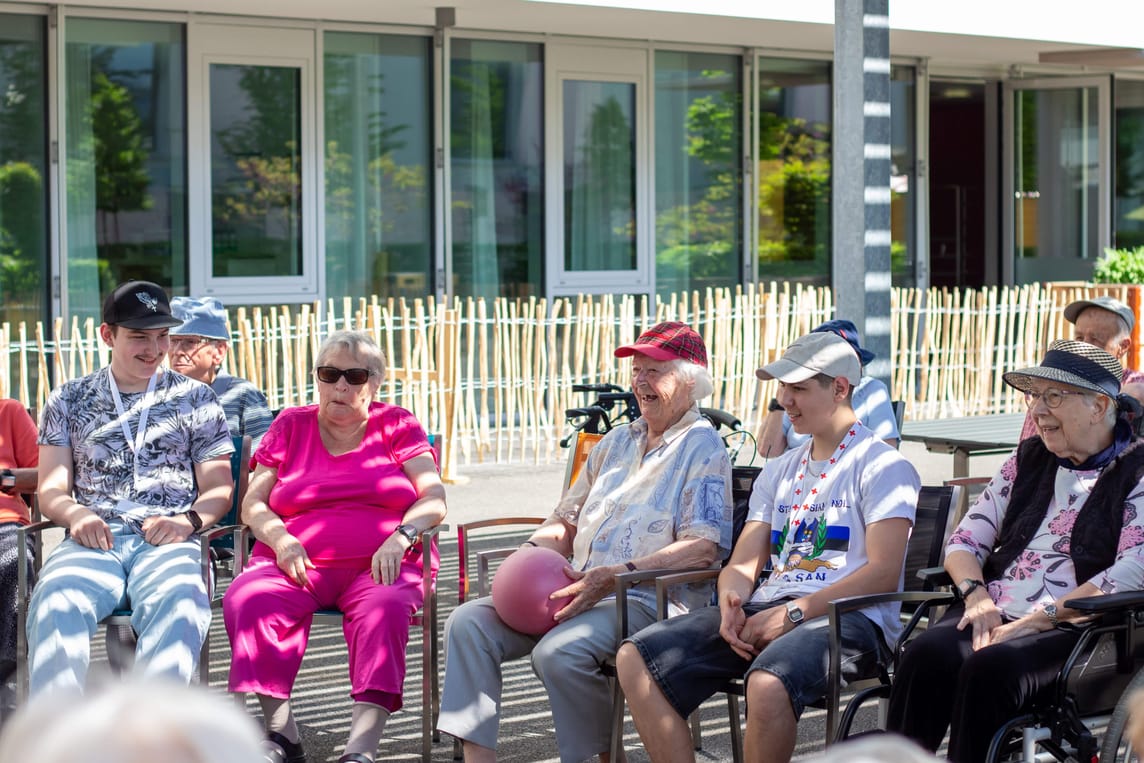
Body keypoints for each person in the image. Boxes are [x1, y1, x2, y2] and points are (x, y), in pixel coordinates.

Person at [616, 331, 921, 763]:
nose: (785, 402)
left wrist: (793, 612)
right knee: (636, 657)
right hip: (768, 610)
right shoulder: (780, 469)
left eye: (798, 388)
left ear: (839, 387)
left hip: (849, 619)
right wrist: (730, 601)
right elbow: (743, 561)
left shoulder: (883, 466)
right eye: (782, 389)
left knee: (767, 680)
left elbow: (882, 574)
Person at [437, 321, 733, 763]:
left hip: (645, 596)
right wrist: (529, 555)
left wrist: (612, 576)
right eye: (637, 371)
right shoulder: (616, 441)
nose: (640, 382)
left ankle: (599, 757)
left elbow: (704, 547)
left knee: (560, 652)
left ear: (691, 381)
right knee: (467, 623)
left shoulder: (703, 448)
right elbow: (566, 519)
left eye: (655, 371)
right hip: (576, 585)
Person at [885, 340, 1144, 763]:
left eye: (1053, 396)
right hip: (997, 608)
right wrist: (977, 597)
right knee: (926, 654)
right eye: (1034, 396)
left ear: (1099, 406)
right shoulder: (1029, 459)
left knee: (991, 670)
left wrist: (1036, 622)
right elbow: (964, 542)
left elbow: (1133, 571)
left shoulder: (1138, 469)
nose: (1037, 410)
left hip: (1080, 630)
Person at [223, 329, 447, 763]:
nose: (340, 386)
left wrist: (401, 537)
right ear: (318, 378)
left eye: (355, 376)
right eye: (330, 374)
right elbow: (252, 502)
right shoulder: (290, 424)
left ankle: (360, 750)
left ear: (375, 383)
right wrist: (280, 538)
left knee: (383, 608)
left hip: (381, 562)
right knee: (247, 599)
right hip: (295, 561)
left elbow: (433, 498)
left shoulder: (397, 423)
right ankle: (282, 734)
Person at [26, 280, 234, 696]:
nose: (154, 349)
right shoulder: (68, 399)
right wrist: (75, 514)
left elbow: (218, 486)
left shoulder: (196, 398)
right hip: (93, 538)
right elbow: (51, 490)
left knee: (179, 601)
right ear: (108, 335)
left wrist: (188, 522)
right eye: (139, 336)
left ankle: (150, 739)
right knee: (54, 600)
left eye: (162, 336)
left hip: (168, 539)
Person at [0, 679, 264, 763]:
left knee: (179, 603)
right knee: (56, 597)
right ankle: (47, 750)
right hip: (90, 554)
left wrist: (191, 542)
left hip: (172, 556)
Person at [757, 319, 899, 458]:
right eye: (783, 384)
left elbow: (887, 453)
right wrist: (780, 399)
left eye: (799, 388)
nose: (786, 399)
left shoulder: (871, 390)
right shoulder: (793, 402)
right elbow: (768, 451)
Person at [1019, 295, 1144, 440]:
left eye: (1095, 339)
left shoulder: (1136, 384)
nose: (1082, 346)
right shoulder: (1051, 384)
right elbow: (1025, 451)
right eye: (1079, 338)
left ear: (1122, 347)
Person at [169, 296, 273, 448]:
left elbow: (262, 462)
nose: (177, 351)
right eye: (173, 340)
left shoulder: (242, 395)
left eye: (190, 342)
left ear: (219, 351)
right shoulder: (157, 394)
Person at [0, 400, 37, 690]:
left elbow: (45, 474)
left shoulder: (8, 411)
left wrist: (4, 478)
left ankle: (9, 674)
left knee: (13, 557)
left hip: (5, 523)